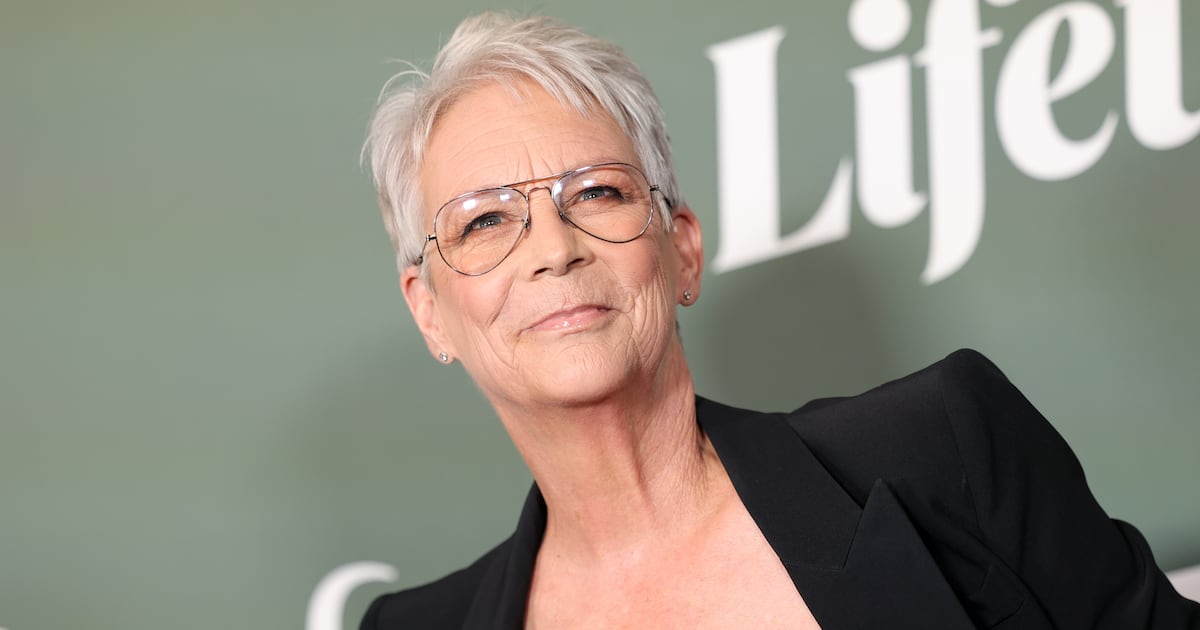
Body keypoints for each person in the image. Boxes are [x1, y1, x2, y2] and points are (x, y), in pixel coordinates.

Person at [358, 12, 1198, 629]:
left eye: (598, 192)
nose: (553, 248)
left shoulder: (944, 450)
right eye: (484, 221)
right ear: (430, 311)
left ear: (682, 250)